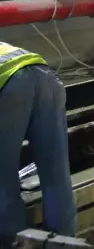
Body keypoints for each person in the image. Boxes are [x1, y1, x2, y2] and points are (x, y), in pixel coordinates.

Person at [0, 43, 76, 243]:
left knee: (3, 182)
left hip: (8, 87)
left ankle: (14, 243)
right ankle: (64, 242)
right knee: (56, 174)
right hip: (44, 75)